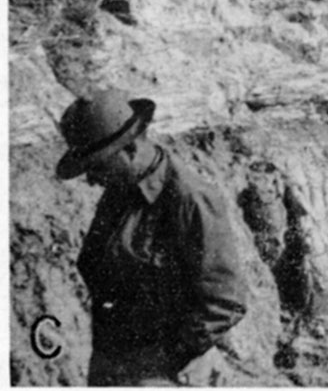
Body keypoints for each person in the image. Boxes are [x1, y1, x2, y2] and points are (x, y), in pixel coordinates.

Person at [56, 90, 249, 387]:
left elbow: (224, 301)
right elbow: (93, 265)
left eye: (98, 166)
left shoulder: (191, 198)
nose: (92, 180)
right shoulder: (119, 190)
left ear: (130, 150)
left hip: (161, 369)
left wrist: (168, 358)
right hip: (112, 357)